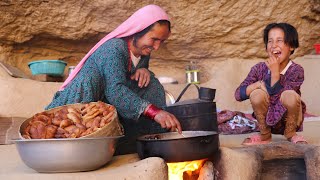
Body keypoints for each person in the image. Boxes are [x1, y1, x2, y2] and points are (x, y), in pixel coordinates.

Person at [46, 5, 182, 154]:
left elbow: (130, 76)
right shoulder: (115, 48)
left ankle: (147, 141)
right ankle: (86, 143)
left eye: (161, 41)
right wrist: (154, 112)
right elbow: (115, 90)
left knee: (152, 84)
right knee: (93, 80)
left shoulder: (143, 52)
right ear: (137, 32)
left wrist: (144, 70)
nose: (156, 47)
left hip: (104, 104)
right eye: (154, 39)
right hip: (80, 106)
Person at [234, 22, 307, 145]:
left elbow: (277, 98)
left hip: (288, 119)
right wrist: (257, 84)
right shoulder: (259, 68)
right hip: (266, 122)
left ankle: (291, 134)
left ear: (292, 46)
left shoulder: (296, 70)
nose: (274, 45)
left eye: (279, 40)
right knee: (256, 93)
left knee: (289, 95)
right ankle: (265, 135)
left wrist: (274, 72)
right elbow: (238, 94)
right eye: (270, 41)